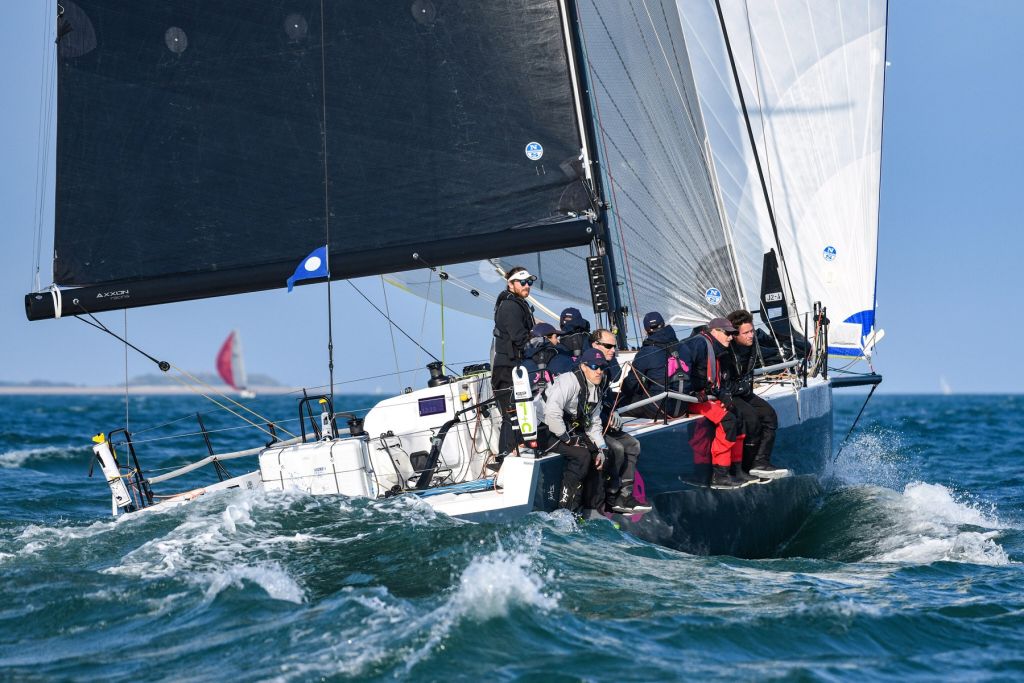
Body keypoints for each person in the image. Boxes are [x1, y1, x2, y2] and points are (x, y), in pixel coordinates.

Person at [678, 317, 755, 489]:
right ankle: (720, 474)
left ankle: (736, 469)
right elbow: (682, 370)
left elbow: (715, 381)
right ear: (715, 331)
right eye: (727, 333)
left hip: (708, 396)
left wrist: (724, 394)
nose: (730, 337)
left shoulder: (718, 349)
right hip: (691, 399)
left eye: (732, 334)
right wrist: (693, 391)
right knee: (728, 421)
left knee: (738, 415)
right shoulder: (698, 344)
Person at [541, 348, 610, 515]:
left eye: (602, 366)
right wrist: (567, 439)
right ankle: (565, 511)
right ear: (584, 366)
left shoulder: (596, 387)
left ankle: (593, 508)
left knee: (600, 456)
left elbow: (593, 422)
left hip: (566, 428)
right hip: (544, 428)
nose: (599, 371)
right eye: (594, 366)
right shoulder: (569, 381)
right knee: (581, 455)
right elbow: (552, 412)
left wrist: (601, 447)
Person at [590, 328, 650, 513]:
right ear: (595, 345)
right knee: (616, 448)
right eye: (608, 346)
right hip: (590, 427)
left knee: (633, 444)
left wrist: (612, 410)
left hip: (604, 422)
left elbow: (606, 397)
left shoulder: (606, 368)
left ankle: (625, 495)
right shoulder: (587, 368)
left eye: (614, 347)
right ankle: (612, 495)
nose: (612, 351)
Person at [726, 310, 789, 478]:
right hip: (730, 394)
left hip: (744, 392)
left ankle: (760, 462)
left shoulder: (753, 344)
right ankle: (746, 467)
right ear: (735, 334)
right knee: (752, 418)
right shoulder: (726, 350)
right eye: (746, 332)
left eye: (752, 331)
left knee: (769, 415)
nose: (751, 335)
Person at [491, 267, 536, 457]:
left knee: (519, 413)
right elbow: (520, 337)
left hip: (515, 367)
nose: (527, 286)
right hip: (506, 369)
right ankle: (506, 455)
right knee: (511, 415)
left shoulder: (518, 304)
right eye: (522, 282)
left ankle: (517, 451)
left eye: (529, 283)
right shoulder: (510, 306)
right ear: (511, 284)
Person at [619, 311, 689, 418]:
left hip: (658, 409)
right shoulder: (684, 347)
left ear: (645, 331)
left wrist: (623, 390)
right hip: (683, 407)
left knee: (615, 403)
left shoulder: (646, 351)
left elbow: (631, 384)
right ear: (664, 324)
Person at [522, 322, 575, 392]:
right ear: (546, 339)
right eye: (555, 337)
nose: (557, 340)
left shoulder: (522, 364)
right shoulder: (563, 360)